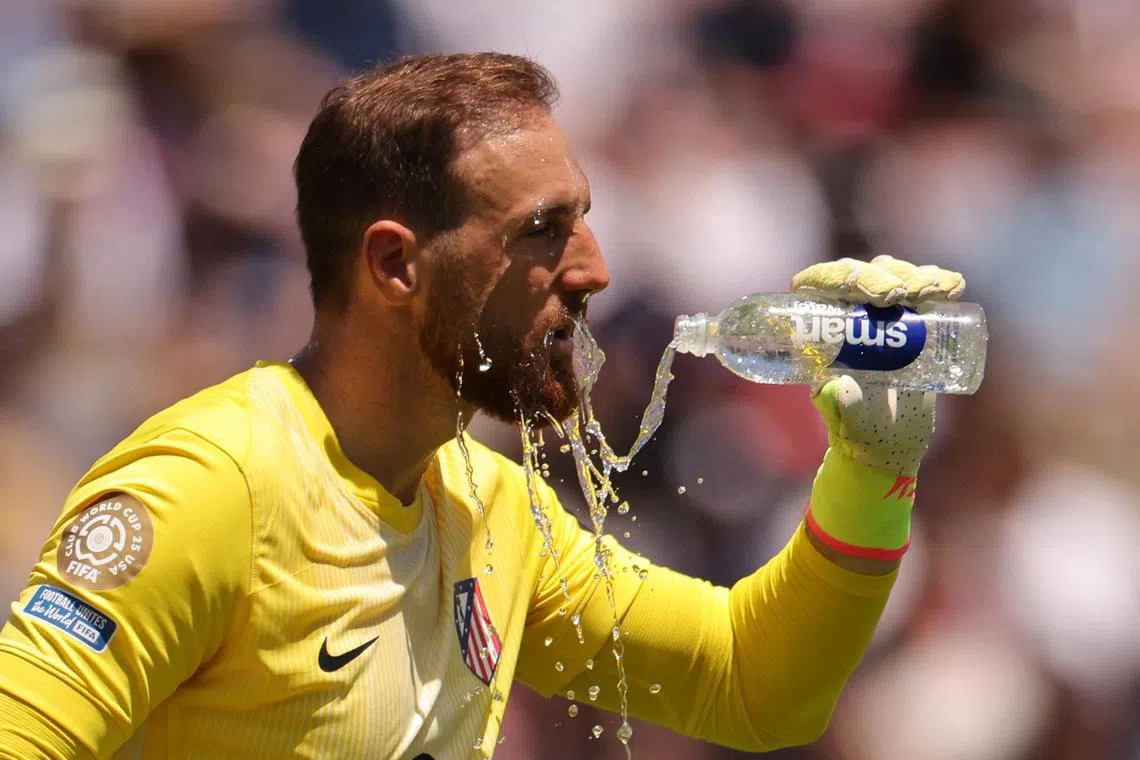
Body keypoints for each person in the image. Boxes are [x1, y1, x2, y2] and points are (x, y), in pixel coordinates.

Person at [0, 53, 966, 759]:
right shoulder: (209, 491)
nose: (594, 270)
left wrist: (871, 471)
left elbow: (756, 687)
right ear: (395, 263)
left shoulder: (488, 508)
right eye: (543, 232)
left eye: (583, 219)